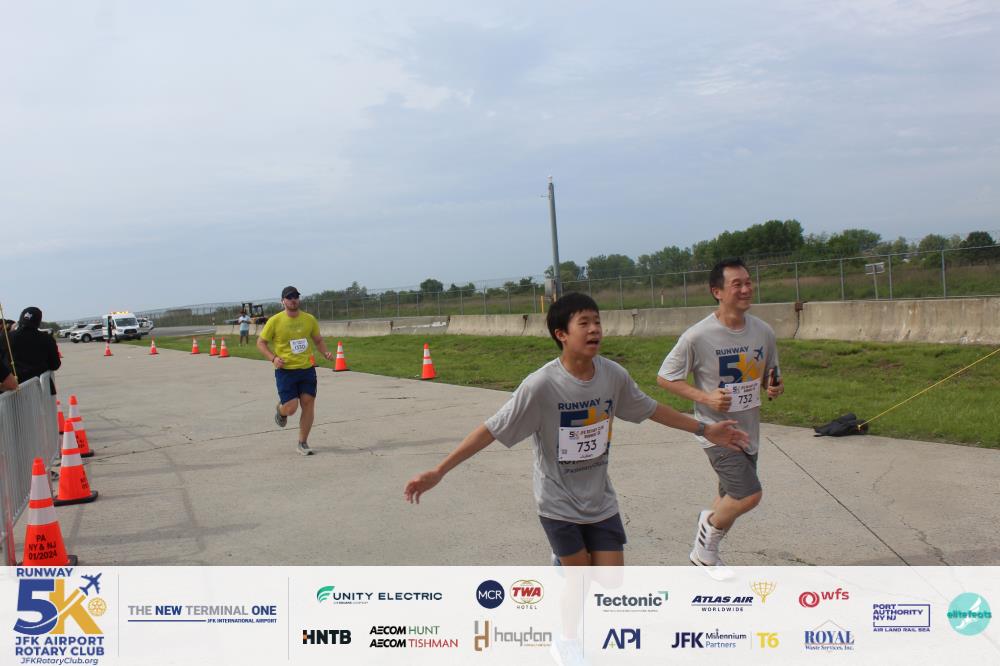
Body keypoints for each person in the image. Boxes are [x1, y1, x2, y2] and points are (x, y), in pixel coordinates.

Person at [404, 292, 748, 566]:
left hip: (600, 500)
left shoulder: (613, 375)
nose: (595, 329)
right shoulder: (540, 385)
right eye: (584, 323)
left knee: (610, 584)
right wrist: (440, 470)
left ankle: (563, 566)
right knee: (581, 584)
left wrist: (705, 429)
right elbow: (492, 429)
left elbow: (651, 409)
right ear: (562, 334)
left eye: (597, 322)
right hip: (558, 502)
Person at [656, 258, 784, 568]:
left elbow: (770, 374)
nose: (746, 289)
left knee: (729, 497)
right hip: (716, 431)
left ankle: (706, 552)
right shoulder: (697, 336)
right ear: (717, 292)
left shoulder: (763, 331)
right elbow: (665, 377)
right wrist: (706, 398)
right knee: (748, 495)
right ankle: (705, 545)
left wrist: (774, 387)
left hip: (748, 431)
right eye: (736, 284)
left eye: (748, 282)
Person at [256, 286, 334, 456]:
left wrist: (325, 352)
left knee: (308, 403)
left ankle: (302, 442)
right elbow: (261, 343)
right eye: (289, 297)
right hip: (286, 371)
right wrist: (273, 358)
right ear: (283, 301)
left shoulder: (309, 319)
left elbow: (318, 340)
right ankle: (281, 410)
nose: (293, 300)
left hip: (306, 369)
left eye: (296, 297)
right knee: (291, 408)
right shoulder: (275, 321)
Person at [7, 307, 61, 386]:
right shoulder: (47, 339)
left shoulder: (5, 338)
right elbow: (55, 365)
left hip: (14, 389)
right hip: (41, 387)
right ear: (38, 322)